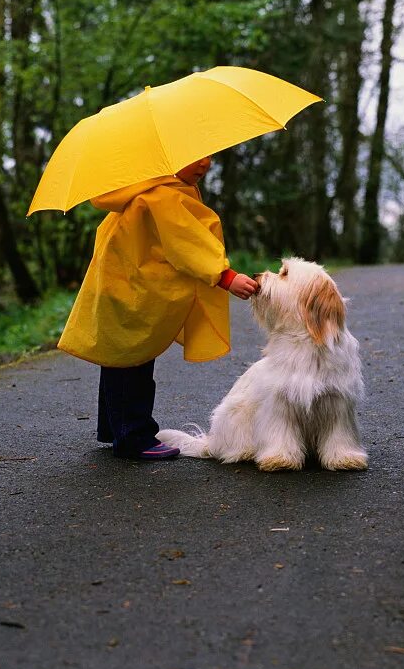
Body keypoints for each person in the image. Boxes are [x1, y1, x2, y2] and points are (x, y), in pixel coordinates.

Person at [57, 156, 258, 460]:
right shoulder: (165, 196)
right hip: (134, 295)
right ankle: (134, 436)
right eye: (195, 158)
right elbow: (188, 244)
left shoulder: (138, 190)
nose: (205, 164)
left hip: (116, 287)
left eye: (209, 156)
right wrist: (226, 277)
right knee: (135, 364)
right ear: (169, 158)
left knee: (117, 360)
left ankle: (113, 428)